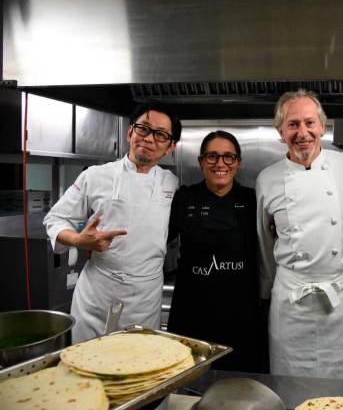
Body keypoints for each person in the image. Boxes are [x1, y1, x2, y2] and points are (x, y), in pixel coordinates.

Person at [43, 102, 182, 343]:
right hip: (98, 293)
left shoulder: (171, 183)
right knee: (87, 366)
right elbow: (55, 219)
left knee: (139, 371)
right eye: (143, 129)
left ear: (170, 147)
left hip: (144, 298)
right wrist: (78, 240)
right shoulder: (95, 176)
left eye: (160, 135)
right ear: (130, 132)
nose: (149, 139)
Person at [256, 89, 343, 379]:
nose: (302, 132)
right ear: (280, 131)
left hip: (341, 300)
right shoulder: (267, 179)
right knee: (289, 379)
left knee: (340, 383)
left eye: (309, 123)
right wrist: (268, 286)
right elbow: (265, 243)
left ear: (322, 127)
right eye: (293, 124)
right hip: (291, 300)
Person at [166, 131, 262, 372]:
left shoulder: (253, 200)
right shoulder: (183, 198)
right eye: (212, 156)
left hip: (241, 315)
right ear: (201, 162)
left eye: (229, 157)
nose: (220, 164)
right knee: (188, 384)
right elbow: (155, 239)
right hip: (192, 313)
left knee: (240, 387)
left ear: (238, 163)